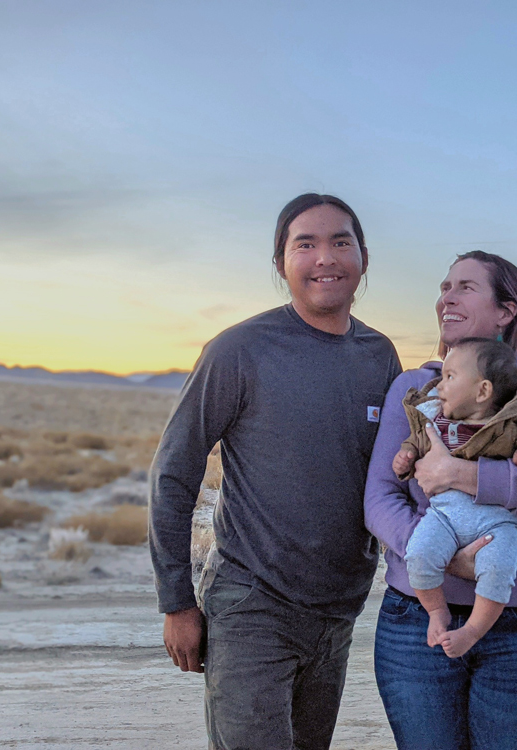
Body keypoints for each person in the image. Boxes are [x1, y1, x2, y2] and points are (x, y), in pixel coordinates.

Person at [149, 193, 402, 750]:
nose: (325, 258)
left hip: (338, 611)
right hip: (252, 605)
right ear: (280, 263)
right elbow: (174, 471)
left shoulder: (379, 355)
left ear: (363, 257)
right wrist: (176, 601)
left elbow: (393, 475)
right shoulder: (240, 350)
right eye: (304, 244)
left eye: (341, 241)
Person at [365, 251, 517, 750]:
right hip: (416, 620)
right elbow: (380, 497)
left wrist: (461, 474)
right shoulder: (414, 390)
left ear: (507, 311)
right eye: (444, 286)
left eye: (465, 287)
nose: (446, 296)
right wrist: (443, 556)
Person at [393, 337, 517, 658]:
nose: (439, 386)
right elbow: (415, 441)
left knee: (498, 571)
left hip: (498, 521)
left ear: (483, 391)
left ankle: (472, 631)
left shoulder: (516, 417)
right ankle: (437, 612)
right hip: (444, 515)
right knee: (418, 555)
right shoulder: (436, 420)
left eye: (450, 377)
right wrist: (406, 456)